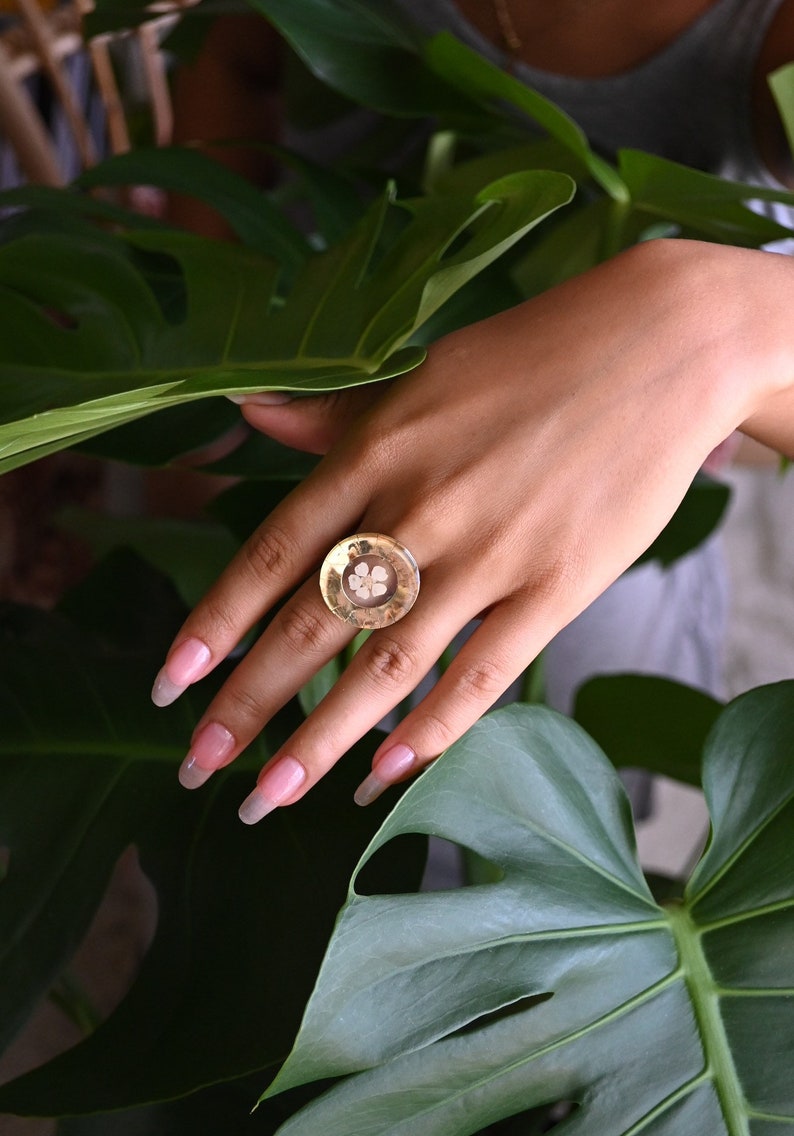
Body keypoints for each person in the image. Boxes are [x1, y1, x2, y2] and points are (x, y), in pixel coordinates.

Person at [152, 0, 794, 824]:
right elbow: (236, 57)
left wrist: (712, 323)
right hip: (269, 391)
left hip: (600, 501)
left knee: (525, 817)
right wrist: (205, 355)